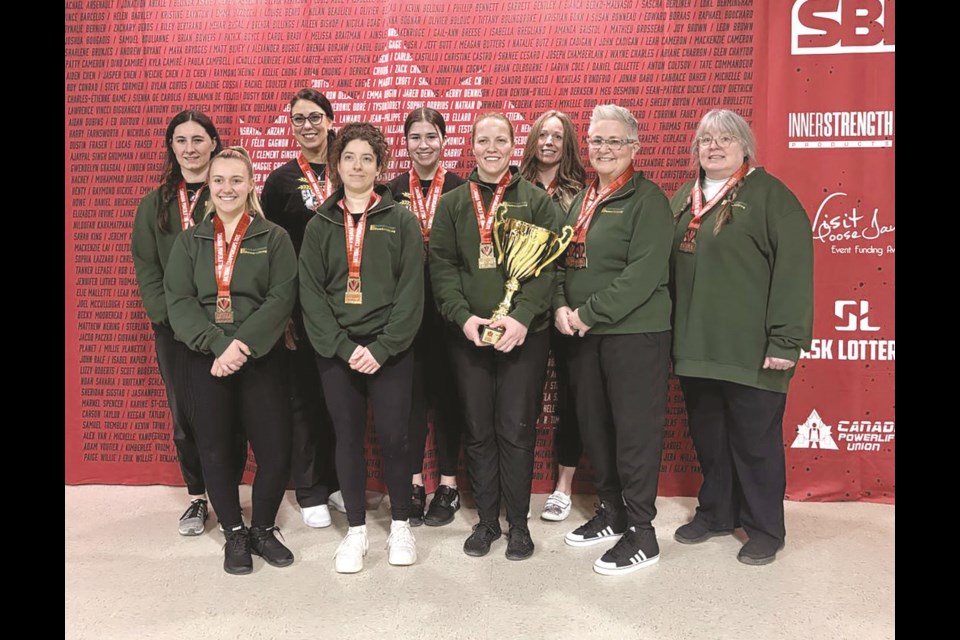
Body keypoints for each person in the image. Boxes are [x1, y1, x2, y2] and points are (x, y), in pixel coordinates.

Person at [669, 109, 813, 566]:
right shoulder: (680, 199)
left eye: (725, 138)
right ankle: (715, 513)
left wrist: (786, 341)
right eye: (705, 139)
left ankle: (765, 527)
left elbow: (794, 274)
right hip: (696, 350)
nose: (713, 146)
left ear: (745, 146)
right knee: (710, 439)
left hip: (752, 352)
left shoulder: (773, 197)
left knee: (755, 444)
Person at [430, 113, 562, 561]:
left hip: (524, 336)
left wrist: (522, 317)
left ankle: (518, 525)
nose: (492, 147)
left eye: (500, 139)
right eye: (483, 139)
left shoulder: (536, 200)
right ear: (471, 146)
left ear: (512, 146)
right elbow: (443, 269)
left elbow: (547, 268)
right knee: (479, 431)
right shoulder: (451, 203)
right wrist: (463, 318)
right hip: (467, 337)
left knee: (516, 430)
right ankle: (487, 522)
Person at [164, 147, 298, 575]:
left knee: (275, 449)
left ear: (250, 184)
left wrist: (241, 345)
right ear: (209, 186)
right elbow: (180, 302)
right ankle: (234, 534)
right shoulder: (189, 242)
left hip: (259, 356)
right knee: (216, 450)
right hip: (206, 358)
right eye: (219, 180)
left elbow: (282, 298)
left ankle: (261, 528)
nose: (227, 188)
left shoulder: (273, 237)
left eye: (236, 180)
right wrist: (217, 344)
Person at [553, 104, 674, 575]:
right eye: (597, 141)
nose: (603, 149)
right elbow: (560, 259)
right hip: (582, 334)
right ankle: (611, 511)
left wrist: (587, 313)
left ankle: (643, 533)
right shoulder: (582, 196)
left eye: (614, 141)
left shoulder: (649, 200)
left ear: (634, 148)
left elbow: (643, 275)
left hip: (634, 335)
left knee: (634, 434)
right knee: (595, 427)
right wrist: (562, 306)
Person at [299, 123, 424, 574]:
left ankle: (401, 525)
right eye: (349, 157)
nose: (357, 165)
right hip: (338, 353)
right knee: (347, 439)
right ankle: (355, 531)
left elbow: (412, 293)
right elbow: (310, 295)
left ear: (380, 166)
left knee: (395, 439)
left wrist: (384, 346)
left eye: (366, 158)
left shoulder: (401, 220)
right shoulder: (319, 224)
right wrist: (342, 346)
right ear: (337, 164)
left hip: (390, 351)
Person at [131, 110, 246, 536]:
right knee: (185, 417)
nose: (190, 148)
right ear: (172, 147)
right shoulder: (154, 204)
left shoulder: (232, 194)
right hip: (177, 331)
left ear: (214, 144)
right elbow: (147, 269)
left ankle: (228, 494)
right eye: (181, 141)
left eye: (199, 139)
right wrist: (175, 321)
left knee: (230, 414)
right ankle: (197, 497)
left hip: (228, 332)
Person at [260, 88, 340, 529]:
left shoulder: (350, 167)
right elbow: (273, 251)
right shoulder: (280, 182)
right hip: (301, 308)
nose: (307, 126)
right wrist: (285, 314)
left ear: (330, 120)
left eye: (314, 117)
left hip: (349, 307)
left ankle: (339, 481)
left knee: (342, 399)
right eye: (298, 119)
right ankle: (311, 489)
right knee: (305, 398)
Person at [387, 108, 467, 527]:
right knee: (411, 402)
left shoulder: (462, 188)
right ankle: (415, 482)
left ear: (443, 141)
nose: (423, 144)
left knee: (450, 399)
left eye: (431, 136)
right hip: (407, 311)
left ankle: (449, 485)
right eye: (415, 136)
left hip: (451, 311)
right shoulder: (391, 190)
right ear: (406, 143)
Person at [519, 110, 588, 522]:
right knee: (518, 399)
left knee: (572, 398)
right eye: (542, 134)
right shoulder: (512, 184)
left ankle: (564, 486)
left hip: (565, 307)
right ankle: (513, 482)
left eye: (557, 136)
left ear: (568, 144)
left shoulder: (582, 191)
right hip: (522, 306)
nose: (548, 142)